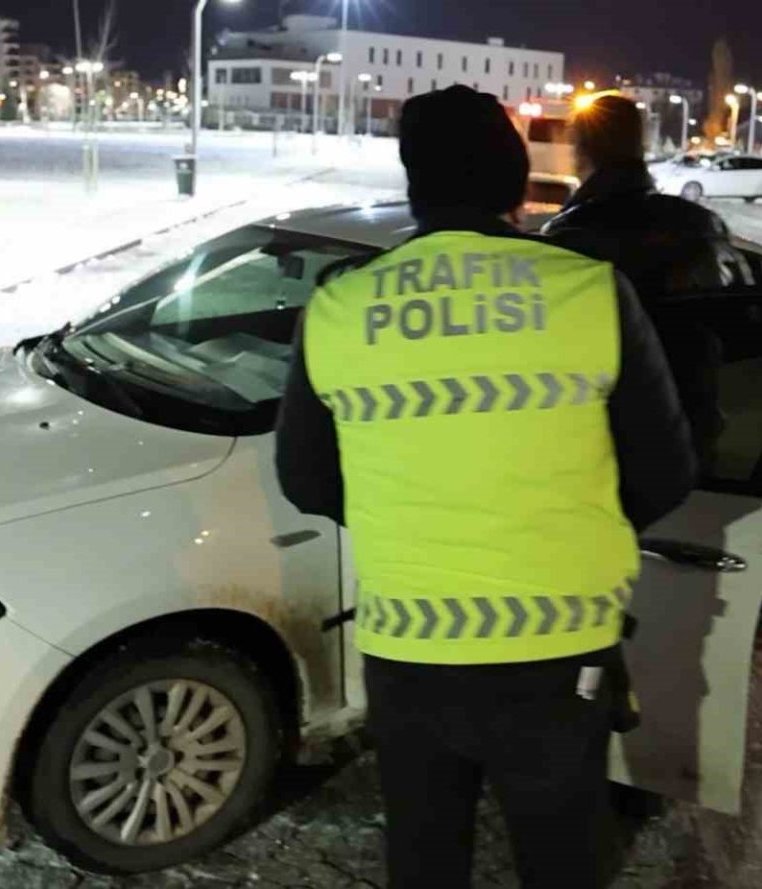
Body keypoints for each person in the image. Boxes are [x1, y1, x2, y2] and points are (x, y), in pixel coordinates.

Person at [275, 86, 697, 888]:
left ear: (414, 183)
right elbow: (667, 470)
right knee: (562, 856)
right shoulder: (588, 291)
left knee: (424, 855)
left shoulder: (338, 306)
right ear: (515, 180)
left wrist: (411, 512)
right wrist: (568, 517)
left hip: (409, 647)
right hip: (559, 649)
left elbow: (304, 478)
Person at [542, 94, 738, 471]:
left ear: (581, 150)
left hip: (601, 440)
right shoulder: (700, 226)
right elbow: (733, 323)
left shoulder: (567, 236)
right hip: (690, 434)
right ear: (641, 145)